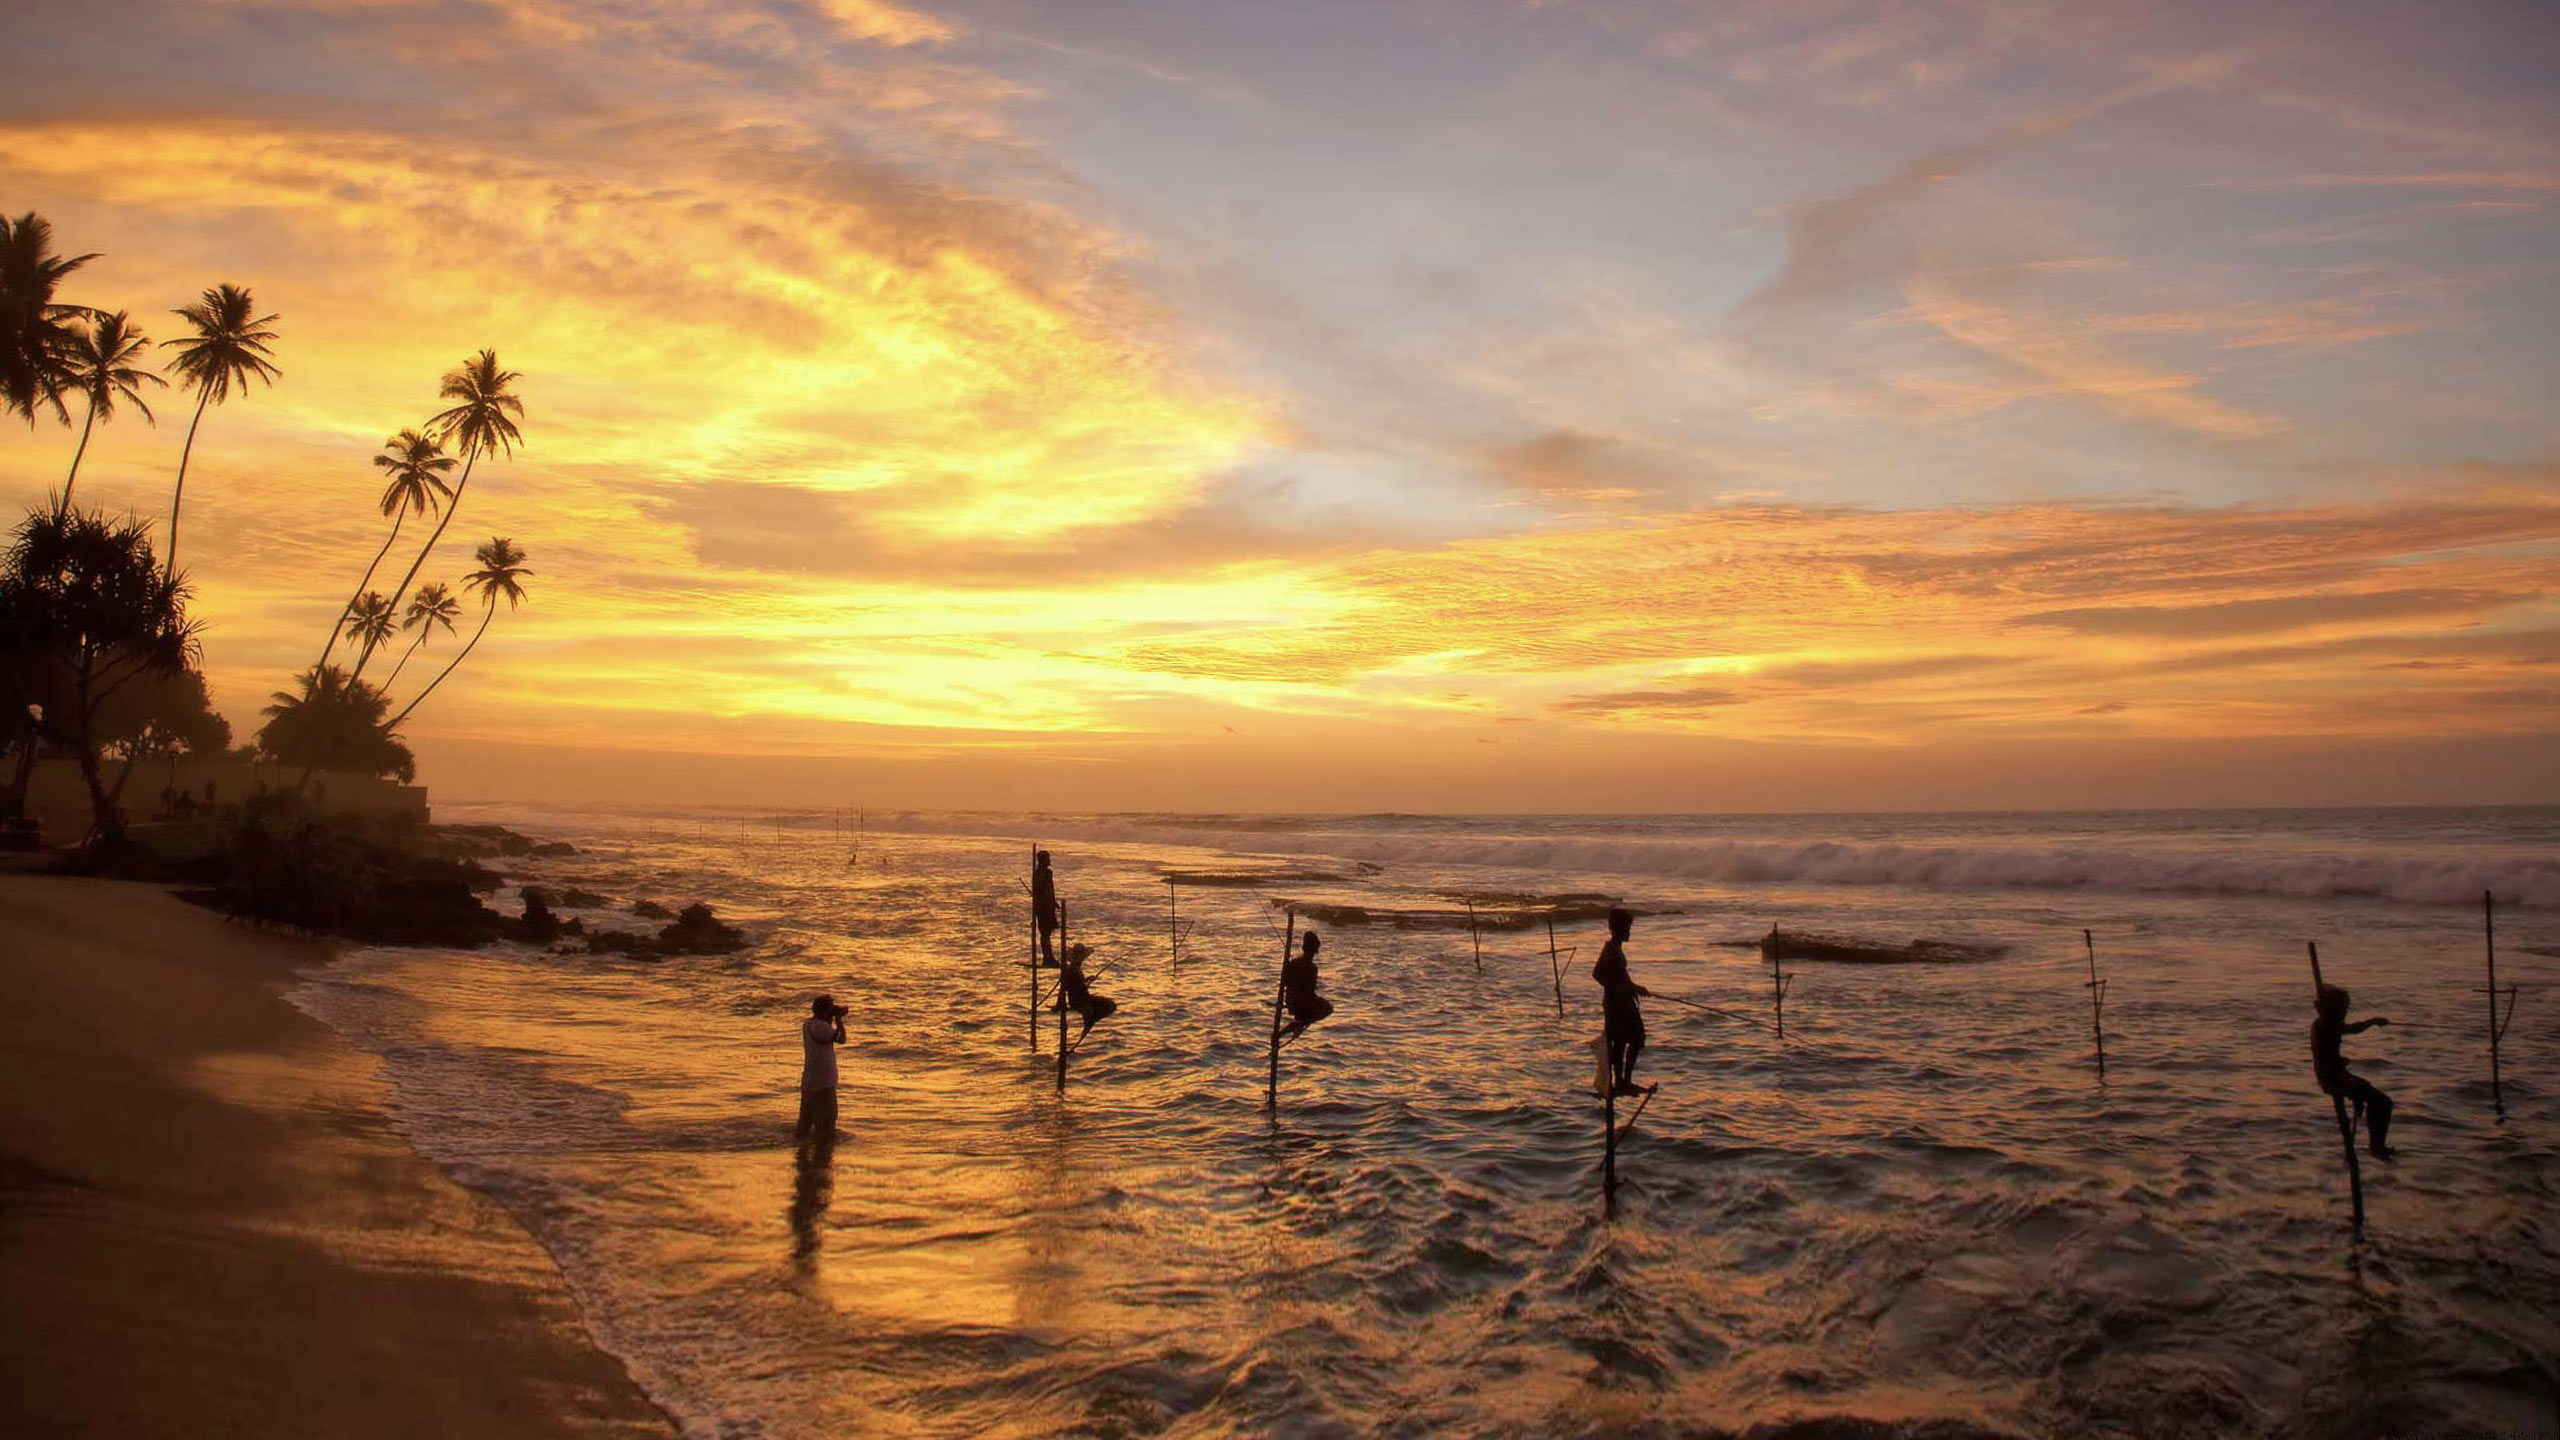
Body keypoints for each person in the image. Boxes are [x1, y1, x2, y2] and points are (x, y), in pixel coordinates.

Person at [2313, 984, 2396, 1159]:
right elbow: (2328, 1058)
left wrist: (2372, 1022)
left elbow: (2350, 1030)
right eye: (2342, 1008)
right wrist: (2343, 1074)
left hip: (2336, 1076)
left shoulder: (2328, 1024)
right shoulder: (2326, 1026)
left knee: (2375, 1097)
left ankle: (2377, 1145)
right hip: (2334, 1078)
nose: (2344, 1012)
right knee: (2383, 1102)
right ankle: (2376, 1146)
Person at [1592, 907, 1651, 1097]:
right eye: (1627, 928)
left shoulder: (1616, 949)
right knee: (1630, 1039)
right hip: (1617, 1005)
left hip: (1622, 1002)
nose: (1629, 932)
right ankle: (1622, 1082)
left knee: (1628, 1040)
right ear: (1618, 928)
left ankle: (1624, 1081)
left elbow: (1621, 977)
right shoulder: (1610, 949)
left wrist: (1635, 987)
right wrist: (1618, 988)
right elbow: (1598, 974)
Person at [798, 994, 847, 1140]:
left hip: (810, 1082)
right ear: (824, 1011)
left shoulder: (808, 1024)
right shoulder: (820, 1026)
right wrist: (838, 1020)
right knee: (826, 1127)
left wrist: (835, 1020)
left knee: (804, 1126)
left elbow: (839, 1039)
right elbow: (840, 1039)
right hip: (823, 1084)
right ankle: (822, 1159)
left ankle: (802, 1157)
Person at [1279, 930, 1333, 1040]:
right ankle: (1299, 1024)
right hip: (1301, 1004)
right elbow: (1309, 993)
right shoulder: (1312, 968)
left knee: (1303, 1018)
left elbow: (1285, 982)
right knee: (1327, 1008)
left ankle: (1285, 1031)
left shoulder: (1294, 962)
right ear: (1315, 950)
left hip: (1290, 1001)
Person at [1060, 943, 1116, 1039]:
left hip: (1083, 998)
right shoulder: (1072, 970)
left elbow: (1077, 985)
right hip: (1080, 1001)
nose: (1083, 960)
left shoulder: (1075, 968)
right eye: (1082, 958)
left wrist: (1087, 980)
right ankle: (1091, 1019)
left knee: (1108, 1005)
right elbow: (1069, 987)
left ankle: (1091, 1019)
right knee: (1110, 1005)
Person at [1032, 850, 1059, 968]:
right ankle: (1048, 958)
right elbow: (1047, 891)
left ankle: (1048, 957)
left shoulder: (1037, 873)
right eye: (1048, 858)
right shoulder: (1046, 873)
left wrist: (1053, 902)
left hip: (1041, 906)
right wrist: (1051, 903)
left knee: (1045, 933)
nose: (1050, 861)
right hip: (1045, 908)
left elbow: (1043, 891)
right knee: (1045, 933)